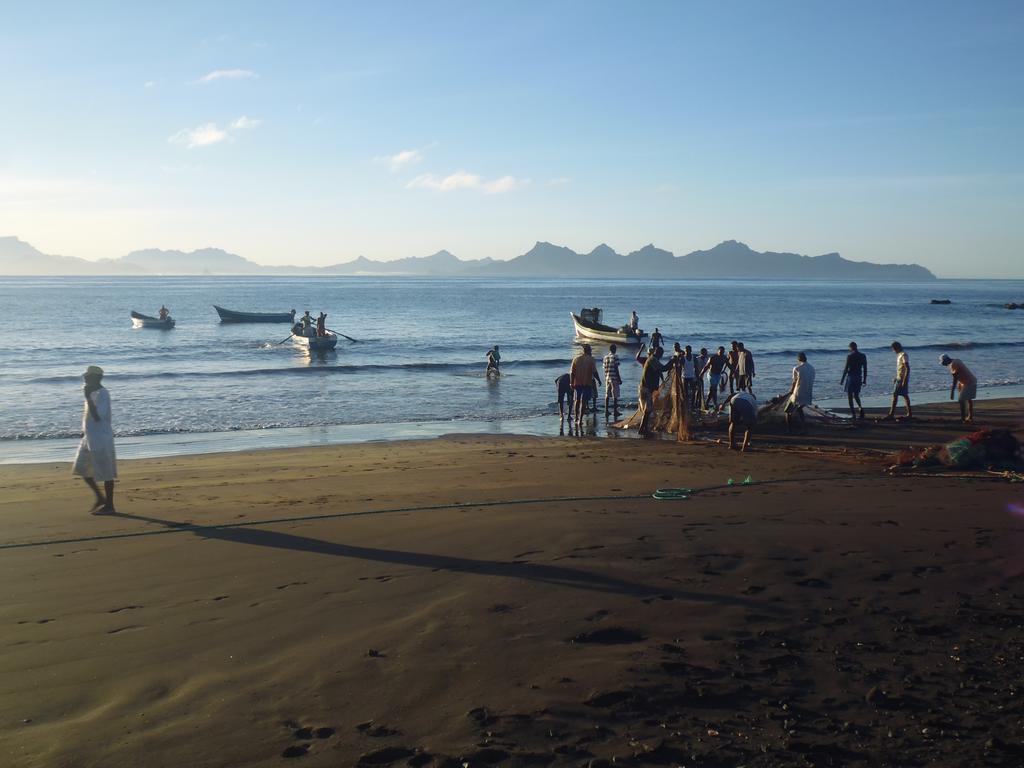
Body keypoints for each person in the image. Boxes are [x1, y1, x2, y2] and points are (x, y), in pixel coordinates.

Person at [72, 366, 117, 514]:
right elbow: (89, 417)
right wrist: (83, 431)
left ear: (96, 378)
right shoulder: (92, 392)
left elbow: (98, 416)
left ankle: (109, 505)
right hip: (89, 437)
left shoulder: (102, 393)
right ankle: (100, 497)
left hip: (101, 437)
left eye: (88, 376)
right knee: (82, 468)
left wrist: (87, 397)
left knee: (106, 472)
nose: (84, 378)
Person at [635, 343, 671, 436]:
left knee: (648, 410)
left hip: (646, 388)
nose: (661, 356)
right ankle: (642, 429)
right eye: (661, 354)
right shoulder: (652, 360)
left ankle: (643, 429)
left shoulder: (652, 359)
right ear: (658, 353)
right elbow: (663, 368)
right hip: (645, 389)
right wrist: (672, 361)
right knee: (647, 410)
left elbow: (661, 370)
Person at [785, 352, 816, 434]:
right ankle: (804, 429)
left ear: (798, 359)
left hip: (797, 394)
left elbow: (794, 382)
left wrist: (791, 391)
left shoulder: (797, 368)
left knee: (788, 411)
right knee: (799, 409)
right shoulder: (812, 368)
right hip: (808, 394)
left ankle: (789, 430)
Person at [940, 354, 976, 422]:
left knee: (961, 400)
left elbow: (955, 378)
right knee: (968, 400)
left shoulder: (953, 364)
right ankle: (970, 417)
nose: (943, 365)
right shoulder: (956, 361)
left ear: (946, 360)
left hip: (968, 382)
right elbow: (961, 373)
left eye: (943, 362)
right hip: (967, 380)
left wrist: (952, 392)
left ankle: (963, 418)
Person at [570, 344, 600, 425]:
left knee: (577, 400)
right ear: (589, 351)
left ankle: (576, 418)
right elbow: (594, 372)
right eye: (590, 350)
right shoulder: (591, 360)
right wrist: (599, 380)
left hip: (577, 383)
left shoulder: (576, 359)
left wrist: (571, 382)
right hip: (587, 383)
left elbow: (572, 372)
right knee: (583, 401)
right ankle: (580, 419)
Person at [884, 341, 912, 420]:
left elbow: (907, 368)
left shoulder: (903, 355)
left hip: (902, 379)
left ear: (897, 348)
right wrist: (896, 377)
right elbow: (900, 369)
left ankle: (892, 414)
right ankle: (909, 413)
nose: (893, 351)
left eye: (893, 349)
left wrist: (904, 380)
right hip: (899, 378)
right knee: (902, 395)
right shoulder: (899, 355)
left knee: (897, 395)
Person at [839, 341, 868, 420]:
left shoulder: (850, 356)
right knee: (856, 395)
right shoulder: (863, 356)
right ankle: (860, 407)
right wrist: (865, 379)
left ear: (851, 348)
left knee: (850, 396)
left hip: (851, 377)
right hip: (859, 377)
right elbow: (865, 368)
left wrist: (842, 379)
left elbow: (845, 369)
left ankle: (853, 414)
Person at [701, 346, 728, 410]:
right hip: (711, 375)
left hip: (718, 375)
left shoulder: (724, 357)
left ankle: (707, 403)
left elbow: (729, 364)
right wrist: (701, 374)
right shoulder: (713, 358)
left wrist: (734, 371)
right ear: (717, 351)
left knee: (711, 390)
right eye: (720, 352)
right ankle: (715, 403)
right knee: (714, 388)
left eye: (723, 352)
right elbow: (706, 367)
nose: (721, 353)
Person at [603, 343, 622, 418]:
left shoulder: (605, 357)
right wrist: (619, 378)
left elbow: (604, 368)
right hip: (614, 377)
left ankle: (606, 410)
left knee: (607, 395)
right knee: (615, 395)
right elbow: (616, 368)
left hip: (607, 378)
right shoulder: (615, 357)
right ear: (614, 349)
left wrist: (606, 377)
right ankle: (615, 411)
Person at [681, 345, 697, 410]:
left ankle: (692, 405)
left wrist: (698, 377)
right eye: (686, 350)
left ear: (691, 350)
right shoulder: (683, 358)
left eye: (688, 350)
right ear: (685, 351)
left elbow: (696, 368)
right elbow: (679, 368)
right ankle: (686, 404)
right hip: (684, 377)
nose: (687, 351)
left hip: (692, 377)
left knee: (693, 391)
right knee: (685, 392)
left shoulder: (694, 358)